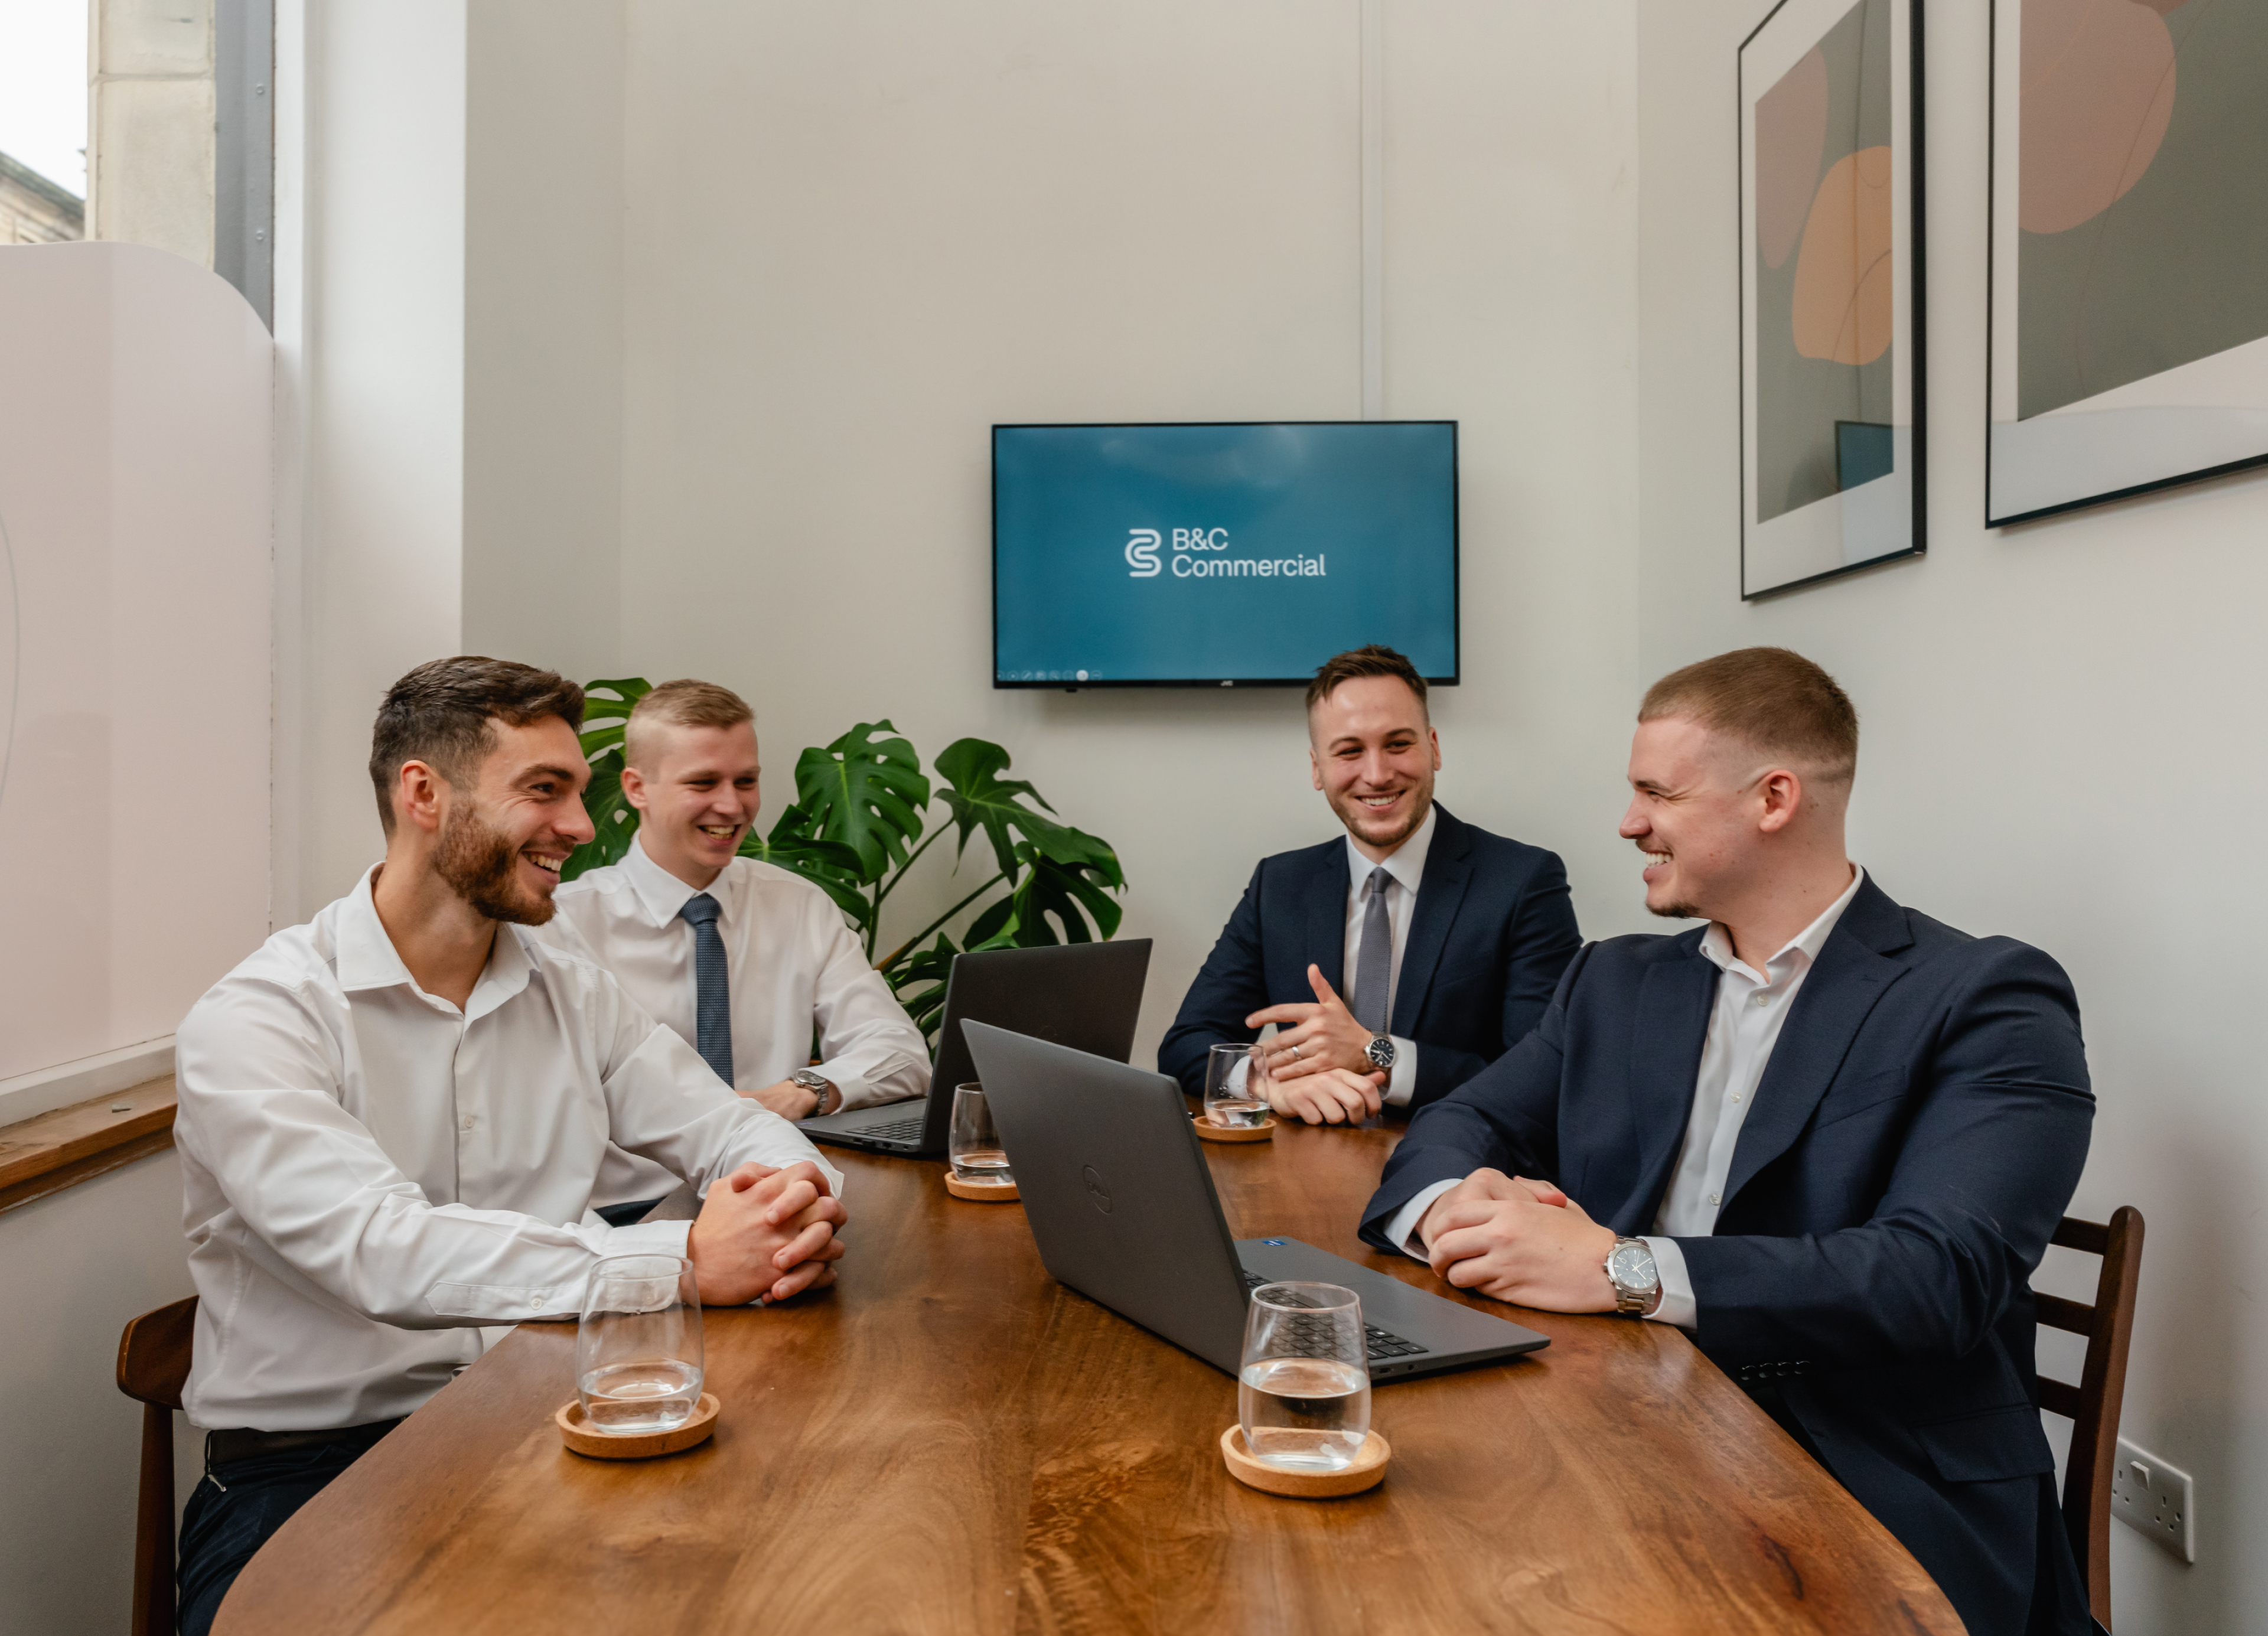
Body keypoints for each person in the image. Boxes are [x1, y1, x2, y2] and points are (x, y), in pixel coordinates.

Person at [1357, 647, 2093, 1636]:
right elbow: (1463, 1120)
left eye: (1656, 793)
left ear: (1775, 799)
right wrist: (1461, 1214)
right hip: (1615, 1427)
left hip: (1866, 1473)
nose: (1628, 823)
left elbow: (1937, 1276)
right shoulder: (1612, 982)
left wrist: (1619, 1268)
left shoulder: (1989, 998)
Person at [170, 658, 848, 1636]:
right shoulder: (259, 1019)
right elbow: (379, 1250)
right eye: (545, 790)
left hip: (551, 1414)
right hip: (315, 1468)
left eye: (578, 791)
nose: (582, 826)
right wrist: (683, 1258)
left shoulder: (569, 984)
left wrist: (794, 1192)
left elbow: (722, 1120)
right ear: (423, 796)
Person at [534, 679, 930, 1223]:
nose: (733, 805)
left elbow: (901, 1054)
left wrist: (799, 1093)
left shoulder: (797, 906)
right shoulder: (560, 925)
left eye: (746, 781)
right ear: (636, 787)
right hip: (624, 1220)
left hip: (775, 1195)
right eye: (703, 782)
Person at [1159, 644, 1581, 1125]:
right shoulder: (1279, 885)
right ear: (1318, 768)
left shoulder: (1524, 881)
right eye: (1350, 751)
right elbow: (1185, 1046)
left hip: (1457, 1171)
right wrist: (1271, 1088)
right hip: (1303, 1169)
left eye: (1398, 744)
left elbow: (1544, 1078)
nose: (1377, 774)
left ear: (1434, 748)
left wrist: (1375, 1052)